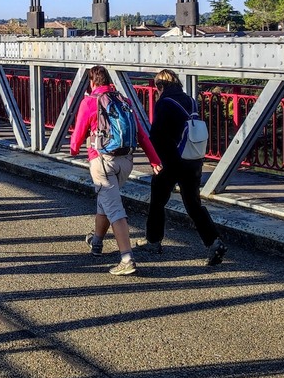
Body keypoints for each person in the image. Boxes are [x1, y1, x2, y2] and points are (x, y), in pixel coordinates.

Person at [69, 66, 156, 276]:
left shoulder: (90, 102)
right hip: (126, 162)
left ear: (92, 82)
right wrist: (154, 160)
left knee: (114, 208)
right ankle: (97, 242)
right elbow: (142, 134)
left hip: (103, 161)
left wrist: (74, 149)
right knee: (106, 201)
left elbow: (79, 133)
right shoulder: (123, 101)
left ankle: (127, 258)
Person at [142, 69, 227, 266]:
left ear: (160, 86)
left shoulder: (164, 103)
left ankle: (153, 241)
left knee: (157, 201)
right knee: (193, 205)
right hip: (193, 159)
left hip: (171, 161)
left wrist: (156, 161)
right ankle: (214, 242)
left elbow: (156, 135)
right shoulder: (190, 101)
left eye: (157, 87)